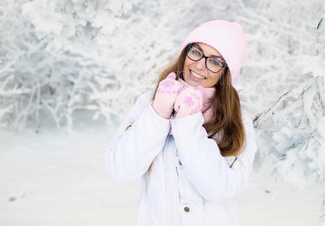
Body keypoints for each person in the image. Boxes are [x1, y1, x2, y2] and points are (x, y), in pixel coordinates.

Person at [105, 19, 257, 226]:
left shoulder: (237, 120)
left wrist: (187, 121)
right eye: (196, 51)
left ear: (226, 72)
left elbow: (220, 189)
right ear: (185, 51)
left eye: (214, 62)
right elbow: (120, 169)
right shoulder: (149, 102)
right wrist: (159, 112)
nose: (199, 65)